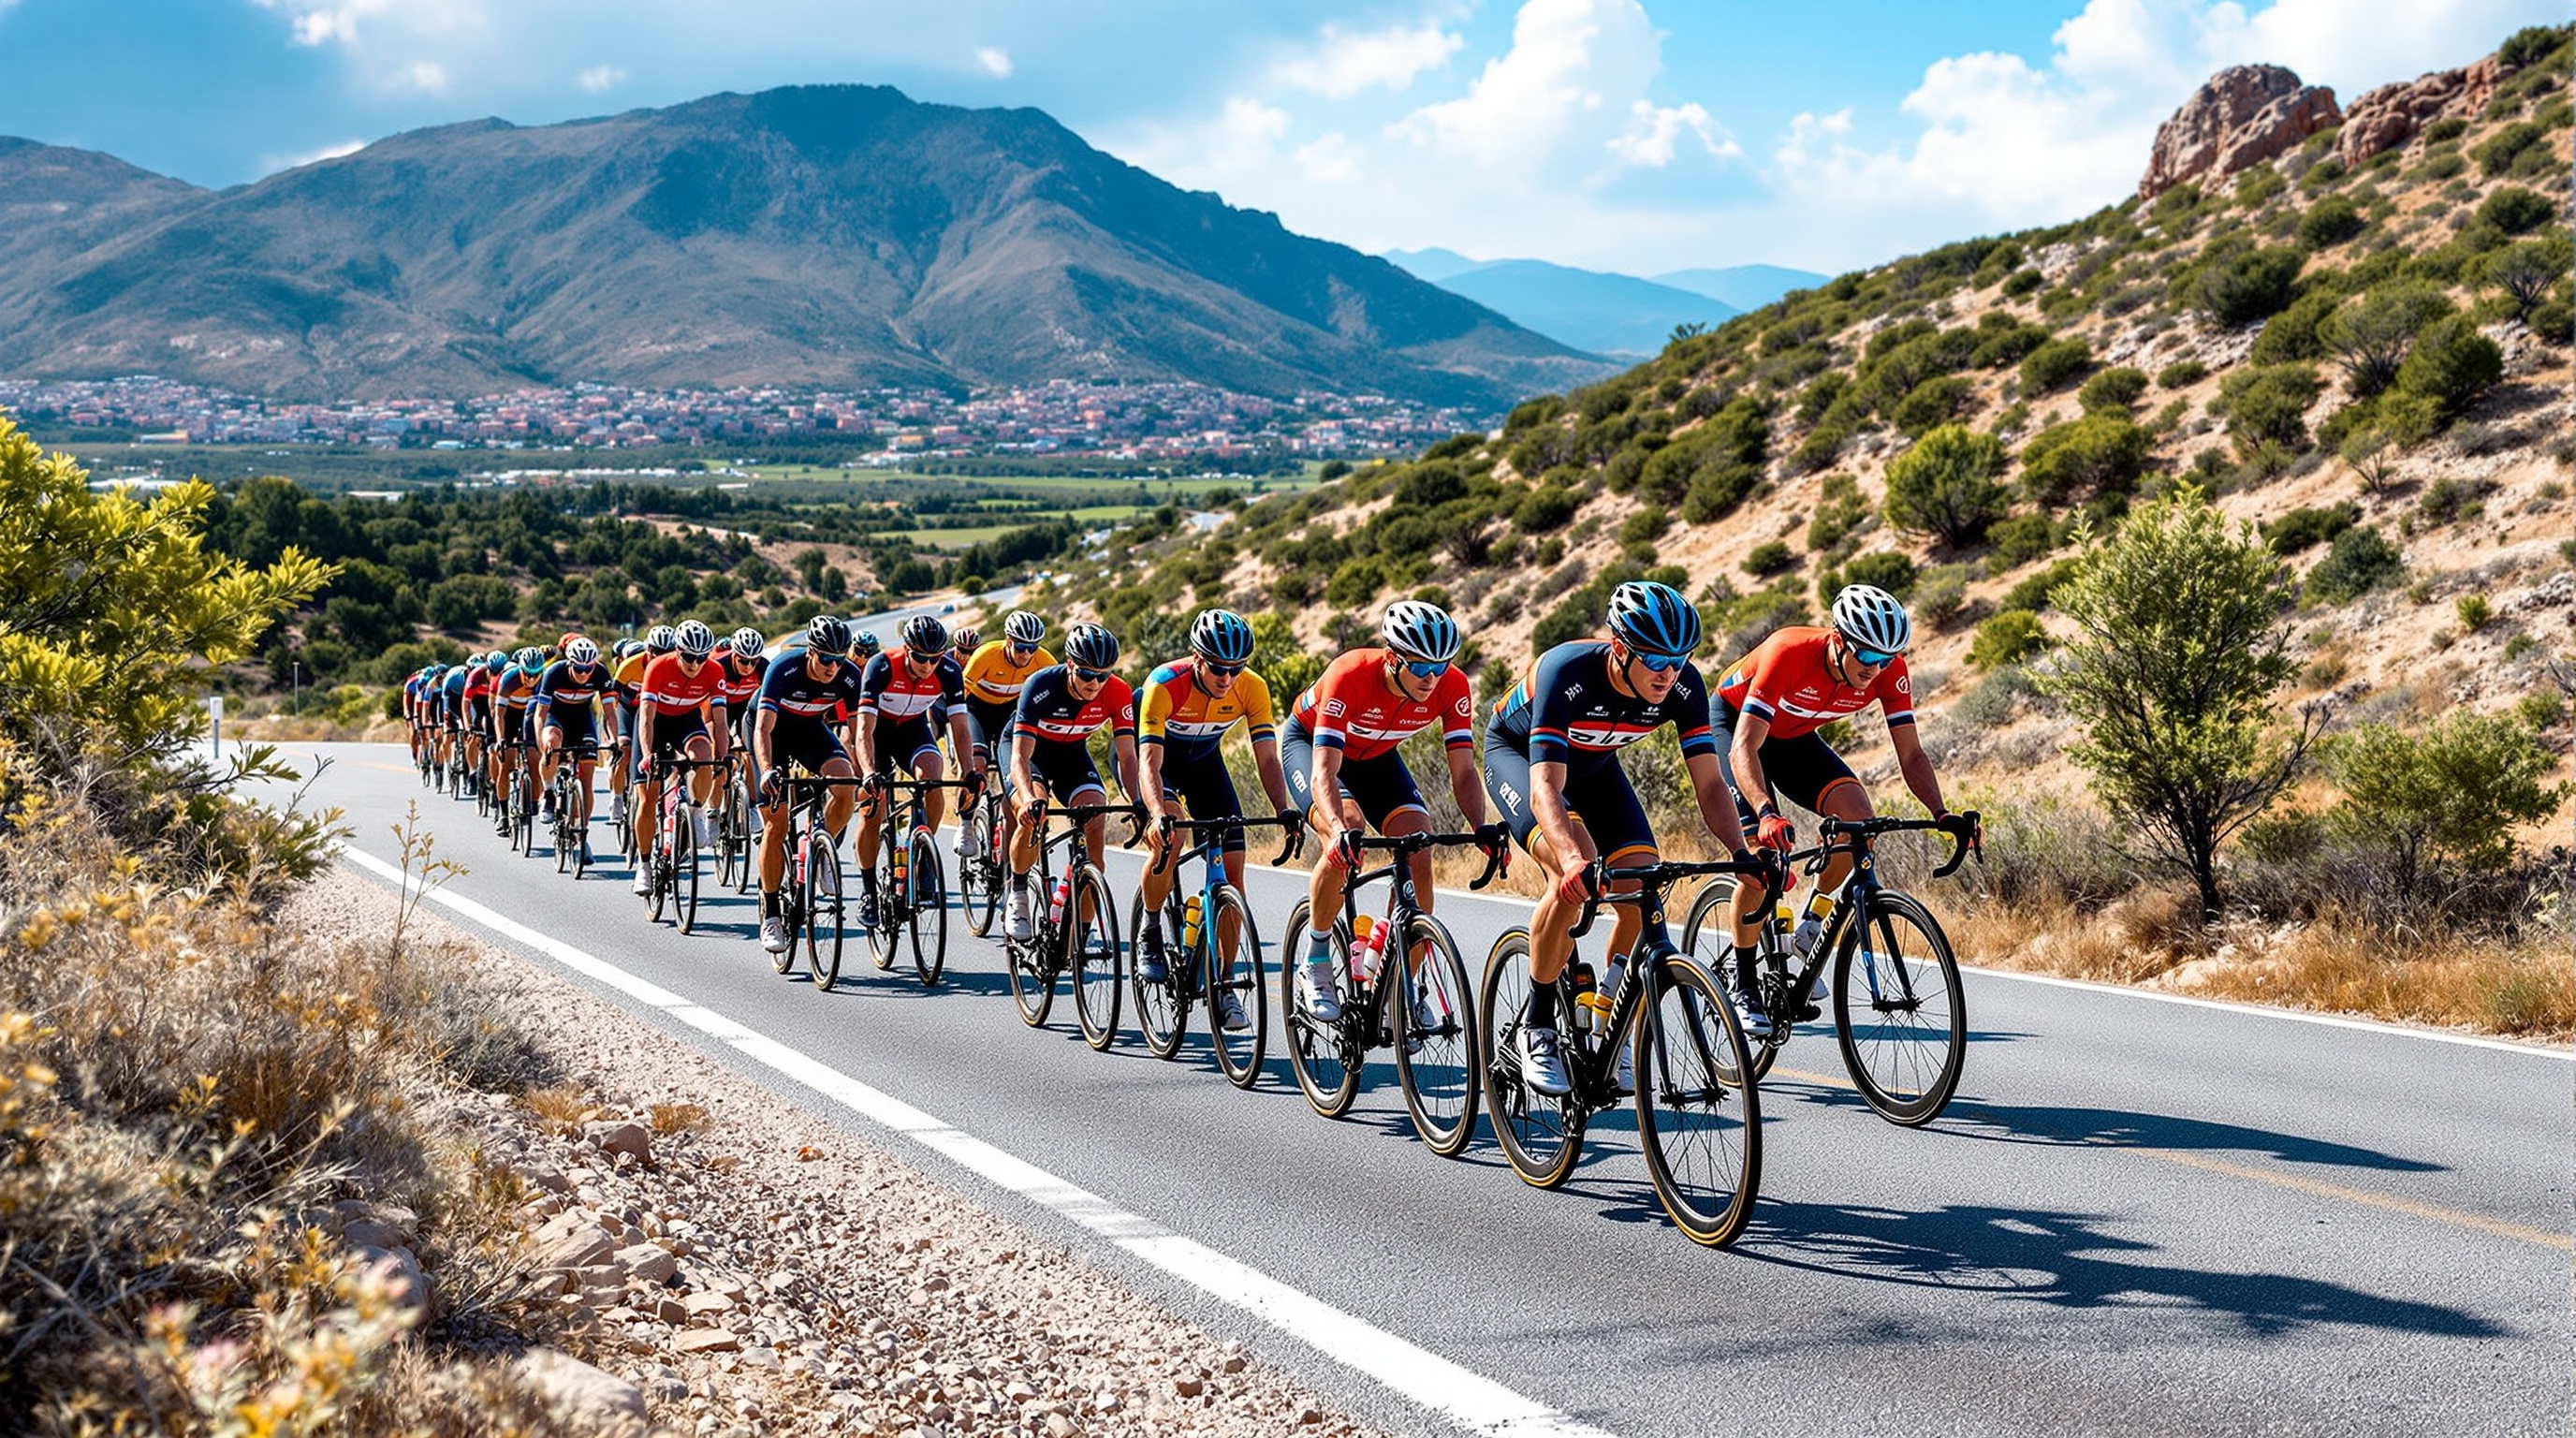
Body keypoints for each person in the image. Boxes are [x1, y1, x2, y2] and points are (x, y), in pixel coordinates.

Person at [1484, 580, 1769, 1095]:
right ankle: (1539, 1026)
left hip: (1595, 768)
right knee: (1572, 873)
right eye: (1656, 660)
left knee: (1640, 888)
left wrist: (1741, 854)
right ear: (1620, 649)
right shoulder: (1565, 672)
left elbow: (1709, 783)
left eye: (1679, 660)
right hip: (1520, 757)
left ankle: (1607, 1021)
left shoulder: (1682, 688)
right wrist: (1571, 859)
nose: (1669, 673)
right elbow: (1545, 786)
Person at [1712, 583, 1975, 1034]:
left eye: (1885, 659)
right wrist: (1765, 812)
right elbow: (1743, 749)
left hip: (1794, 739)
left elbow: (1911, 755)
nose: (1876, 670)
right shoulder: (1788, 652)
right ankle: (1743, 980)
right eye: (1867, 658)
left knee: (1860, 823)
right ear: (1838, 641)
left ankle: (1811, 927)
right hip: (1737, 730)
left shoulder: (1889, 672)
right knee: (1759, 859)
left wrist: (1941, 811)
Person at [1278, 600, 1501, 1023]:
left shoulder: (1450, 685)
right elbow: (1324, 771)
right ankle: (1317, 958)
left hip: (1378, 757)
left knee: (1420, 842)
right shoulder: (1350, 675)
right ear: (1392, 657)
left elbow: (1464, 770)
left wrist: (1481, 826)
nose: (1431, 678)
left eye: (1440, 666)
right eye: (1419, 667)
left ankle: (1403, 985)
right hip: (1312, 747)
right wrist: (1338, 830)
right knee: (1345, 832)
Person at [1134, 609, 1298, 1031]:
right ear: (1196, 658)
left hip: (1206, 765)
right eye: (1218, 668)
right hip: (1160, 765)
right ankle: (1150, 928)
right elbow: (1149, 764)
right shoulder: (1163, 684)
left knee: (1234, 877)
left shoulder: (1252, 688)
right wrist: (1156, 815)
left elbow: (1267, 758)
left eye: (1236, 668)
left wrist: (1284, 810)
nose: (1227, 677)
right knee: (1171, 835)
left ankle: (1224, 982)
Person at [1003, 623, 1141, 943]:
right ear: (1069, 666)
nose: (1095, 683)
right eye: (1086, 674)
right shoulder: (1041, 686)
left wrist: (1137, 803)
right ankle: (1018, 893)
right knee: (1034, 812)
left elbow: (1128, 758)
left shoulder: (1117, 691)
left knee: (1095, 820)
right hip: (1028, 753)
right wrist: (1026, 798)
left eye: (1103, 675)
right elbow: (1021, 758)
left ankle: (1081, 929)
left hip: (1071, 755)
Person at [853, 614, 977, 932]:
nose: (927, 664)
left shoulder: (949, 672)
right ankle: (868, 892)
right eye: (920, 657)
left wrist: (970, 771)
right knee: (872, 810)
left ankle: (922, 856)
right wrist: (868, 772)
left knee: (932, 779)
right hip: (878, 734)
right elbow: (864, 730)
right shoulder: (880, 666)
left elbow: (961, 730)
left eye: (934, 658)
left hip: (913, 731)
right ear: (907, 649)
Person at [752, 616, 867, 953]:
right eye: (827, 659)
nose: (833, 666)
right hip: (770, 732)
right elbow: (762, 730)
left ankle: (820, 850)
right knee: (776, 824)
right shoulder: (784, 668)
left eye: (840, 657)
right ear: (811, 653)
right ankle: (772, 913)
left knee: (846, 785)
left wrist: (866, 770)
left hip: (809, 730)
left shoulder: (848, 676)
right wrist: (767, 769)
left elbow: (859, 732)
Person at [633, 620, 730, 895]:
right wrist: (648, 753)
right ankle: (644, 865)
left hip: (687, 720)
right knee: (648, 797)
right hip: (655, 722)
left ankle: (696, 811)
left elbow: (720, 722)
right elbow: (647, 718)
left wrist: (722, 758)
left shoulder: (714, 670)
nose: (695, 664)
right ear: (677, 651)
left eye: (701, 657)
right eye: (689, 657)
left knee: (704, 756)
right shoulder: (658, 667)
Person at [957, 610, 1055, 858]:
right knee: (977, 764)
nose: (1026, 654)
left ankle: (1008, 865)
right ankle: (966, 823)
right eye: (1021, 647)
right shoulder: (986, 655)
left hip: (1009, 716)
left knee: (1014, 780)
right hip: (977, 711)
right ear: (1008, 640)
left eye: (1032, 648)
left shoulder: (1043, 660)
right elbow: (958, 700)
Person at [534, 636, 609, 844]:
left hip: (582, 718)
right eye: (579, 669)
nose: (584, 674)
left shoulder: (601, 673)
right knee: (551, 742)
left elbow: (610, 713)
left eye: (589, 669)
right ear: (569, 663)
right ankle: (549, 793)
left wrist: (614, 740)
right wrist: (542, 743)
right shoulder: (554, 673)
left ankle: (581, 832)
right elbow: (540, 713)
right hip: (556, 716)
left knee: (587, 778)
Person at [490, 649, 543, 828]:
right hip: (510, 716)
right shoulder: (508, 679)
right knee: (506, 764)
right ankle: (503, 814)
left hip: (531, 716)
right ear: (520, 669)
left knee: (535, 759)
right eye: (527, 674)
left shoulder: (544, 680)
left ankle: (534, 803)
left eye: (535, 674)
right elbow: (499, 715)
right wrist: (500, 739)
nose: (531, 679)